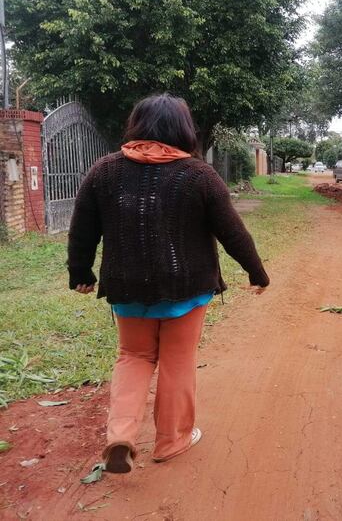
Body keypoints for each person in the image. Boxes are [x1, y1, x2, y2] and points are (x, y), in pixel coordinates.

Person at [67, 94, 270, 474]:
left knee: (133, 356)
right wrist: (256, 272)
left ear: (136, 125)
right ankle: (171, 441)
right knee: (177, 361)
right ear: (184, 129)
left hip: (126, 289)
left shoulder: (104, 171)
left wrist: (80, 273)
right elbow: (232, 232)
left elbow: (82, 230)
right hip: (187, 289)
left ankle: (121, 435)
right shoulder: (199, 175)